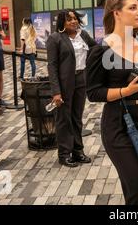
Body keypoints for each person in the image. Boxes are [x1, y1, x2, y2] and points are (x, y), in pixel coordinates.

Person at [86, 0, 138, 205]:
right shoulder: (100, 50)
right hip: (119, 123)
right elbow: (93, 93)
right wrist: (124, 92)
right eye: (132, 7)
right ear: (116, 13)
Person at [47, 10, 96, 168]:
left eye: (75, 19)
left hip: (81, 80)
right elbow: (52, 66)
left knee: (76, 117)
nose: (73, 22)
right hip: (64, 83)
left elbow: (96, 50)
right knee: (63, 119)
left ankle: (78, 151)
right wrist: (56, 92)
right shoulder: (55, 39)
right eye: (69, 20)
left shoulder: (83, 35)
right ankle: (64, 154)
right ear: (62, 22)